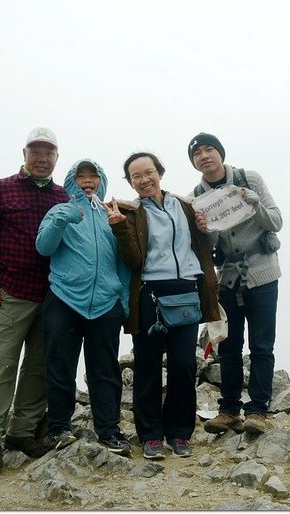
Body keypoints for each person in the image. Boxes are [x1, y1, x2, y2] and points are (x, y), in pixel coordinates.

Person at [0, 127, 68, 473]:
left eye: (49, 153)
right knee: (2, 366)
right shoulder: (1, 189)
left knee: (38, 367)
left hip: (53, 297)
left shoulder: (62, 197)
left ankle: (22, 433)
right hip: (10, 294)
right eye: (36, 151)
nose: (42, 159)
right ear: (24, 153)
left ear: (57, 157)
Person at [109, 152, 220, 459]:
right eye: (136, 176)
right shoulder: (131, 212)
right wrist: (119, 229)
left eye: (148, 172)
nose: (144, 180)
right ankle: (150, 434)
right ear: (130, 183)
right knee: (147, 366)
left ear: (160, 172)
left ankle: (180, 432)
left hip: (186, 290)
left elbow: (204, 246)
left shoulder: (186, 206)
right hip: (149, 294)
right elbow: (133, 260)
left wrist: (206, 228)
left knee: (184, 365)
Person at [36, 159, 132, 456]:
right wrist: (60, 220)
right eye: (81, 176)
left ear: (101, 181)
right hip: (63, 299)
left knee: (104, 370)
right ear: (70, 180)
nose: (87, 180)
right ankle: (59, 429)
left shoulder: (109, 213)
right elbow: (43, 247)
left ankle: (109, 431)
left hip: (106, 303)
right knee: (60, 366)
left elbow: (123, 263)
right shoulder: (59, 210)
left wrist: (123, 300)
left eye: (94, 175)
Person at [188, 132, 283, 435]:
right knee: (228, 346)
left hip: (262, 272)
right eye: (197, 153)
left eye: (209, 149)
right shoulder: (196, 196)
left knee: (261, 345)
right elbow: (208, 245)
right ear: (194, 162)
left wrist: (255, 205)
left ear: (220, 153)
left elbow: (277, 221)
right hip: (227, 278)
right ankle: (228, 410)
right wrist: (205, 229)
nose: (204, 156)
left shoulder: (249, 179)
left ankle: (258, 410)